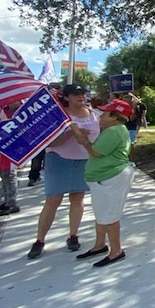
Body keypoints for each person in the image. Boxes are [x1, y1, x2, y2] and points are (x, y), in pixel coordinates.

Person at [27, 84, 100, 259]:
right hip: (59, 160)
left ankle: (73, 236)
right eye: (76, 94)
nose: (81, 96)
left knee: (78, 198)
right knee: (53, 200)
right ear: (66, 97)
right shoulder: (58, 115)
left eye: (82, 93)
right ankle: (39, 240)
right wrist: (71, 134)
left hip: (84, 161)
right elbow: (49, 143)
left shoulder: (93, 114)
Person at [73, 98, 134, 267]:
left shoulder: (114, 131)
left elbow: (97, 153)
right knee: (102, 214)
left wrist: (83, 140)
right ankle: (99, 245)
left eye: (105, 114)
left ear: (115, 116)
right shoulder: (113, 130)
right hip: (105, 178)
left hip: (111, 178)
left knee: (110, 215)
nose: (100, 117)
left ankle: (116, 251)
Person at [0, 101, 22, 216]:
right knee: (3, 173)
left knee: (10, 173)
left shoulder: (21, 111)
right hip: (2, 143)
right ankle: (7, 200)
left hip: (12, 145)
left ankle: (12, 203)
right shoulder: (4, 110)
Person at [124, 93, 141, 162]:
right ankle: (126, 160)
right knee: (125, 145)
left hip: (131, 128)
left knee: (131, 144)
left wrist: (133, 108)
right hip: (124, 128)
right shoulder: (124, 107)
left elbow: (131, 118)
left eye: (127, 98)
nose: (125, 100)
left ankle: (132, 161)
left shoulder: (136, 108)